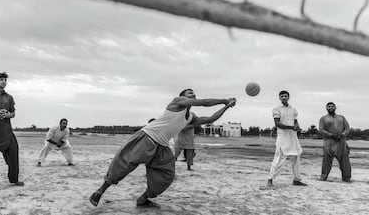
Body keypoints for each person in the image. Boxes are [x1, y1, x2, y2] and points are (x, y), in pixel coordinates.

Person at [89, 88, 236, 207]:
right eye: (189, 93)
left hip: (162, 146)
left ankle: (144, 198)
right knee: (124, 165)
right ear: (183, 97)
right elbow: (204, 102)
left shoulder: (191, 117)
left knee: (167, 175)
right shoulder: (177, 102)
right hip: (148, 137)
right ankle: (99, 191)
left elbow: (210, 119)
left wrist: (226, 107)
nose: (193, 94)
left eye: (194, 93)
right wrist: (224, 100)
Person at [267, 90, 307, 187]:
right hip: (283, 136)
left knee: (296, 156)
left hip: (293, 136)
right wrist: (291, 127)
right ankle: (270, 179)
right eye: (282, 96)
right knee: (279, 158)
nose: (284, 97)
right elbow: (277, 124)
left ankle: (297, 179)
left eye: (286, 96)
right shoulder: (276, 109)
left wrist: (297, 128)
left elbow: (295, 121)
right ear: (279, 98)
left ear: (288, 97)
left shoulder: (293, 109)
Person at [174, 105, 233, 171]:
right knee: (175, 153)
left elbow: (199, 122)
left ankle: (189, 166)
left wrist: (189, 126)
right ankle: (171, 165)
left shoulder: (192, 115)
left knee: (189, 152)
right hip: (179, 137)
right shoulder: (178, 115)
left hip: (189, 137)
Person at [318, 102, 351, 182]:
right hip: (329, 142)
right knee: (327, 161)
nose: (331, 107)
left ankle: (346, 178)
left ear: (335, 107)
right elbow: (321, 130)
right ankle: (323, 176)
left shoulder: (341, 117)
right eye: (329, 106)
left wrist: (342, 135)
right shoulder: (323, 118)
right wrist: (331, 135)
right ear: (326, 108)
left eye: (332, 106)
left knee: (344, 160)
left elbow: (347, 128)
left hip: (341, 142)